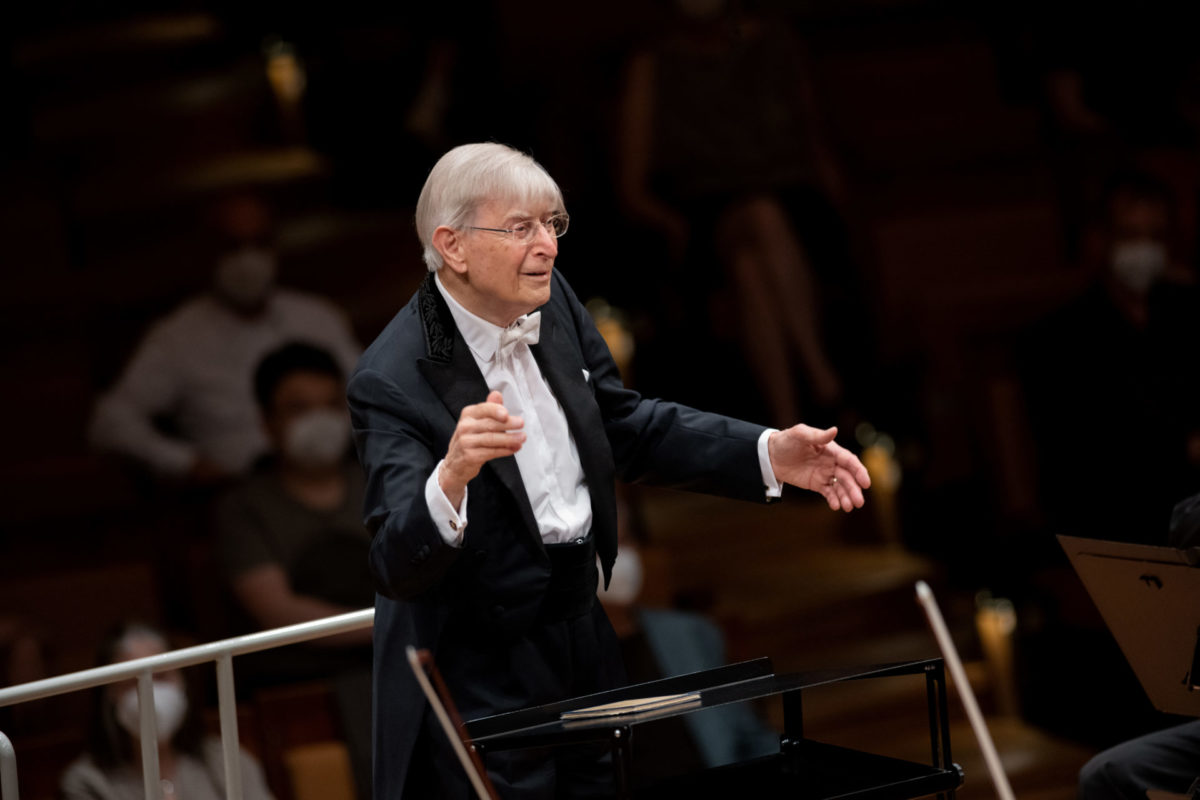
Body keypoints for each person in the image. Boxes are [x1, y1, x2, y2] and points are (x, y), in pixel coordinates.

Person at [348, 142, 871, 798]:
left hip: (582, 625)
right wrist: (451, 474)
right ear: (452, 246)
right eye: (521, 229)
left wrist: (764, 452)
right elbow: (394, 559)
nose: (548, 247)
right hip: (480, 658)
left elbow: (625, 428)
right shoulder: (390, 377)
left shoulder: (553, 299)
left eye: (553, 225)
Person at [89, 194, 361, 484]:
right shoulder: (176, 338)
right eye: (233, 246)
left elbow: (377, 395)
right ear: (207, 251)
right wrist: (187, 463)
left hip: (336, 478)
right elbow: (110, 423)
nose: (248, 259)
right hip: (241, 489)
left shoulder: (317, 317)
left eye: (259, 243)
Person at [216, 341, 373, 799]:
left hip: (403, 657)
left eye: (329, 405)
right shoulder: (245, 507)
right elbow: (276, 610)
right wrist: (391, 622)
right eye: (299, 408)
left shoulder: (379, 477)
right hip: (305, 678)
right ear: (267, 423)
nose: (319, 420)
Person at [59, 621, 274, 800]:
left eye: (161, 677)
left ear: (183, 684)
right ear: (108, 695)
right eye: (131, 682)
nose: (149, 693)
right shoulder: (87, 782)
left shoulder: (225, 759)